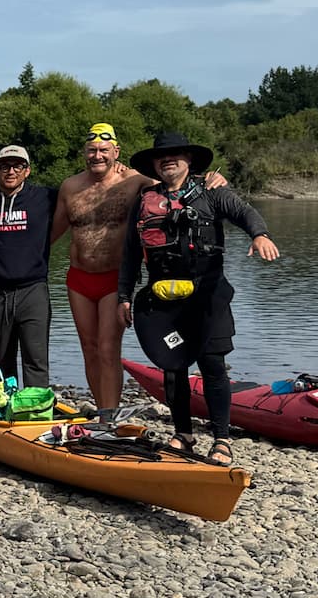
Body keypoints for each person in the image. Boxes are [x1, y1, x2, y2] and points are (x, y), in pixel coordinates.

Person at [120, 132, 280, 465]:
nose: (168, 160)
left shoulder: (212, 192)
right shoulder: (144, 199)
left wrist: (259, 234)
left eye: (176, 154)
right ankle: (183, 434)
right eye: (161, 156)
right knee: (172, 366)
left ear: (189, 160)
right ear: (153, 164)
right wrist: (124, 295)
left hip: (207, 294)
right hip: (165, 298)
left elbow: (245, 212)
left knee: (212, 365)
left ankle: (221, 439)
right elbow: (130, 253)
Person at [55, 123, 227, 412]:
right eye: (92, 150)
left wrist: (210, 178)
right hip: (78, 279)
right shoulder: (70, 186)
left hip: (114, 278)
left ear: (116, 152)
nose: (97, 155)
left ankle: (109, 418)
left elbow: (175, 185)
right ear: (84, 153)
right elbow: (51, 233)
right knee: (89, 350)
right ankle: (101, 411)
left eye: (104, 150)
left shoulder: (135, 182)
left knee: (108, 350)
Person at [0, 145, 57, 388]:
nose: (10, 171)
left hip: (33, 290)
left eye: (17, 166)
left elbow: (81, 192)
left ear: (27, 171)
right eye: (4, 166)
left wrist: (120, 171)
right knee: (2, 362)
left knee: (36, 360)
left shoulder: (45, 197)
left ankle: (36, 412)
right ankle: (6, 409)